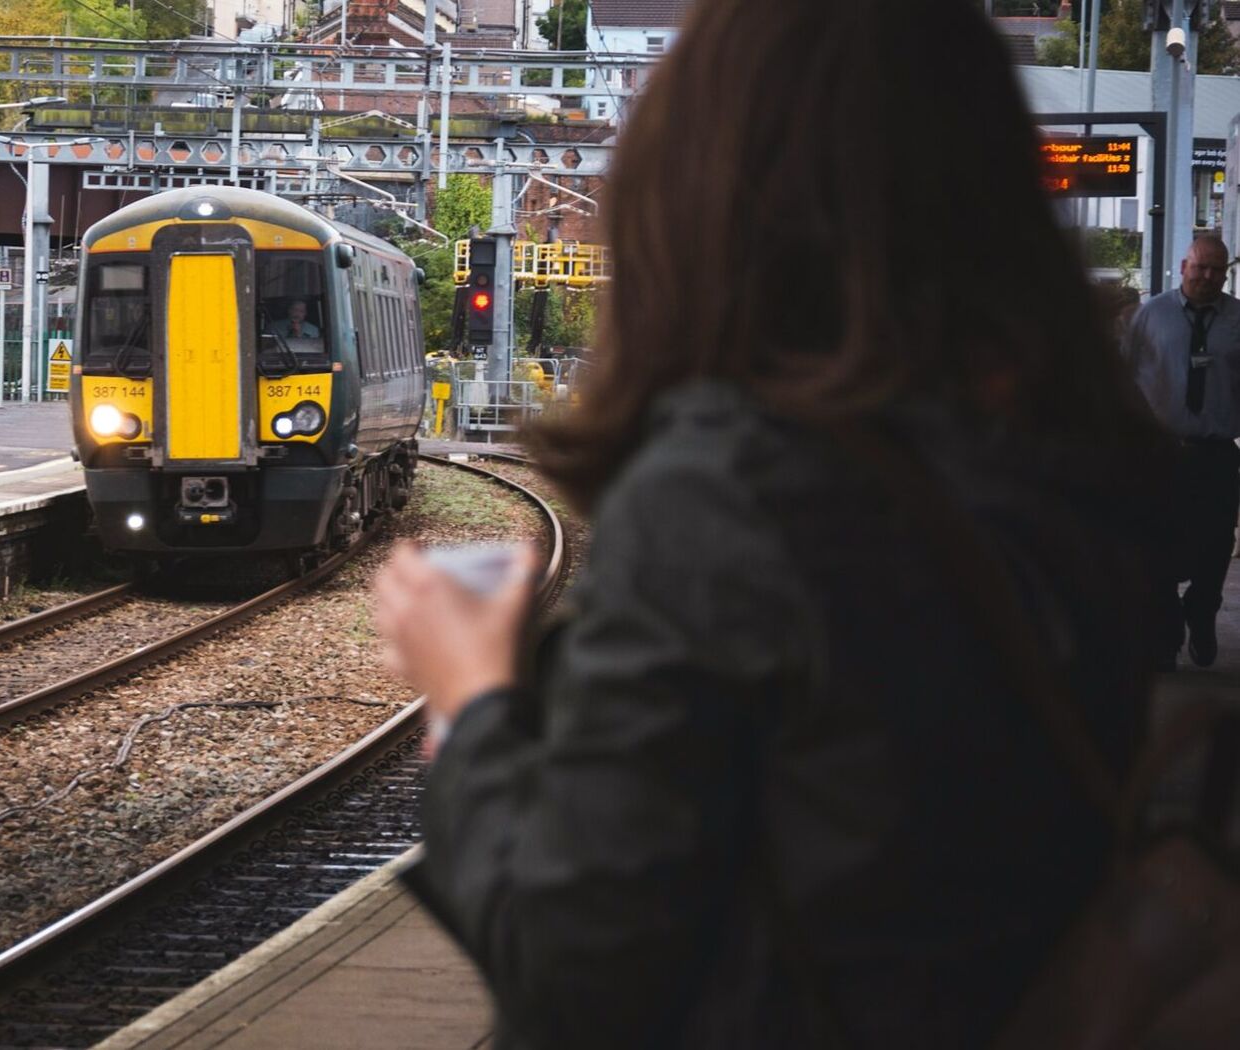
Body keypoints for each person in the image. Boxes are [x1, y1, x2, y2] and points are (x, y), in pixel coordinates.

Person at [373, 2, 1169, 1047]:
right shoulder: (1090, 470)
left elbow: (576, 971)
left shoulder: (729, 501)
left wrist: (473, 701)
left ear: (713, 193)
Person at [1123, 235, 1240, 667]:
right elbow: (1124, 378)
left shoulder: (1236, 320)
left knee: (1215, 544)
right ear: (1183, 265)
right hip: (1161, 452)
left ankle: (1202, 609)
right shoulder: (1151, 316)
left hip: (1216, 453)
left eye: (1217, 270)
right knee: (1156, 546)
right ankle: (1167, 632)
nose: (1208, 277)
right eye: (1200, 267)